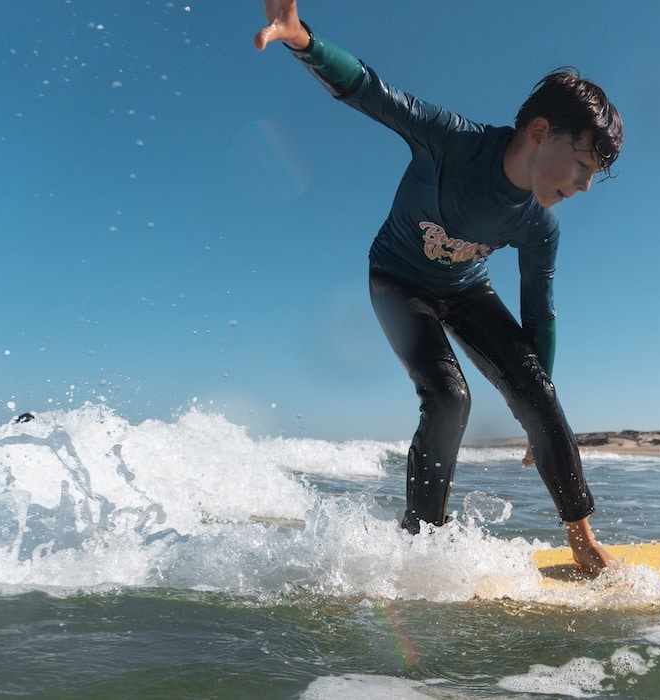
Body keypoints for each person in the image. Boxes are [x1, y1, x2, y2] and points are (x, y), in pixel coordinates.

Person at [255, 0, 622, 574]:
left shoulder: (538, 227)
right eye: (582, 167)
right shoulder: (453, 142)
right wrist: (304, 40)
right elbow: (374, 92)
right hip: (398, 280)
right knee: (450, 397)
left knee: (540, 393)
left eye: (594, 176)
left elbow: (538, 319)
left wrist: (537, 412)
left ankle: (583, 542)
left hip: (467, 289)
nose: (584, 186)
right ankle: (421, 546)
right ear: (541, 132)